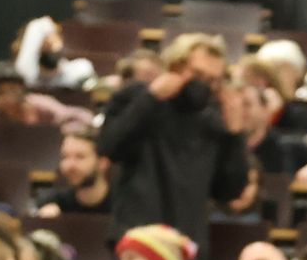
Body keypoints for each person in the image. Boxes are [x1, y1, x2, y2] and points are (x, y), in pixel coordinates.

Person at [98, 34, 239, 239]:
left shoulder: (213, 121)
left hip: (188, 242)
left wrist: (235, 136)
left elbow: (229, 191)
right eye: (198, 75)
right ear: (176, 67)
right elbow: (110, 146)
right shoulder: (137, 98)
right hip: (137, 236)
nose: (204, 85)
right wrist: (151, 99)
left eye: (213, 80)